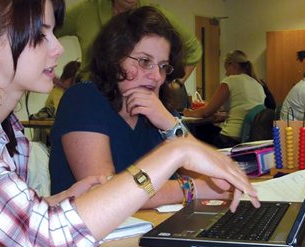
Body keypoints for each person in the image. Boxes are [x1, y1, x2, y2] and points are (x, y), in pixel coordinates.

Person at [0, 0, 259, 247]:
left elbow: (4, 225)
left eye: (162, 66)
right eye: (42, 35)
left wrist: (53, 203)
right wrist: (176, 151)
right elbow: (55, 241)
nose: (58, 48)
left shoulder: (10, 130)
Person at [49, 6, 221, 208]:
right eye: (144, 61)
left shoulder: (158, 110)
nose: (156, 76)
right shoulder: (83, 99)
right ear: (114, 58)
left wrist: (168, 122)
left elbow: (209, 177)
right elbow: (105, 193)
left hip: (149, 229)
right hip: (91, 236)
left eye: (163, 66)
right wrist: (191, 189)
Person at [56, 0, 202, 82]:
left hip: (136, 101)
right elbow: (38, 31)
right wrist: (50, 77)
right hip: (91, 96)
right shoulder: (86, 11)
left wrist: (175, 85)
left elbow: (194, 49)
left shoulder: (156, 15)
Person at [183, 50, 266, 148]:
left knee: (194, 132)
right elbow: (243, 109)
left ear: (233, 65)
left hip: (229, 140)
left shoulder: (231, 80)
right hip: (246, 139)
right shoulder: (258, 85)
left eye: (226, 69)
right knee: (207, 128)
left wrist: (188, 113)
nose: (226, 73)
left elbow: (206, 112)